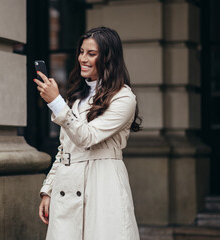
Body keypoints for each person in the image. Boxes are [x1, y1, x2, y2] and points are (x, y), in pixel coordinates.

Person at [34, 26, 141, 240]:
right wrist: (48, 189)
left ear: (108, 58)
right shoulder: (77, 96)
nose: (83, 58)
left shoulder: (124, 98)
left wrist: (56, 102)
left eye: (91, 54)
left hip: (102, 185)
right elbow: (65, 149)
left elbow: (87, 137)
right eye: (81, 52)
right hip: (68, 187)